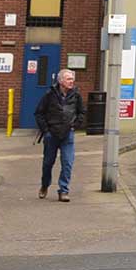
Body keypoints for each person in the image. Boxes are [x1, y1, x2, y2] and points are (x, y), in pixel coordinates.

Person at [35, 68, 84, 202]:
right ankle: (45, 185)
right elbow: (39, 113)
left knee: (67, 163)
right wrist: (46, 130)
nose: (71, 81)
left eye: (72, 79)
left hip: (68, 134)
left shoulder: (76, 95)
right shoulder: (49, 94)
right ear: (61, 81)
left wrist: (75, 125)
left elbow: (81, 112)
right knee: (48, 163)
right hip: (52, 134)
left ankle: (63, 190)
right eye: (68, 79)